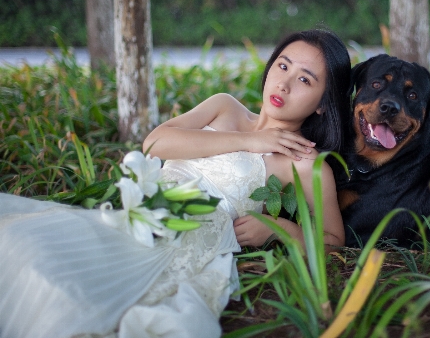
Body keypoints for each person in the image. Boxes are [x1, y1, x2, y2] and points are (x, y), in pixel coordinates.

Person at [0, 29, 352, 338]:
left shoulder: (306, 164)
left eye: (305, 80)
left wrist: (273, 227)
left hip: (190, 238)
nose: (284, 83)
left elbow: (333, 242)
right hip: (142, 211)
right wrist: (250, 142)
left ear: (323, 104)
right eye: (283, 65)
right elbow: (155, 143)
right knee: (21, 245)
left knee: (75, 296)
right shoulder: (224, 107)